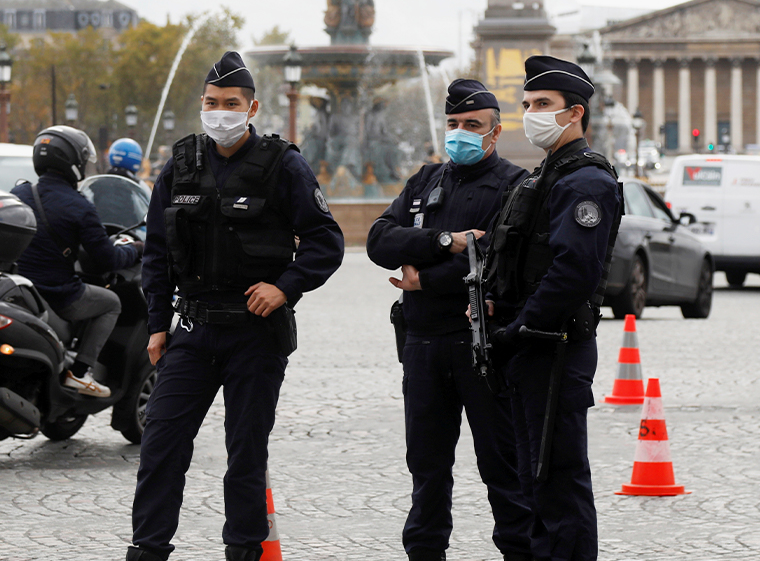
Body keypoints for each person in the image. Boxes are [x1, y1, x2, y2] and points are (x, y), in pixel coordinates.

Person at [126, 51, 345, 561]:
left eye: (230, 103)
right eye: (210, 102)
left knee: (245, 453)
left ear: (252, 107)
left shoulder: (282, 164)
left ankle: (244, 550)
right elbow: (155, 253)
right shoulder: (179, 164)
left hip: (255, 332)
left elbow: (325, 242)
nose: (219, 112)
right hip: (192, 331)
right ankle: (148, 549)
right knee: (160, 446)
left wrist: (285, 287)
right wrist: (158, 326)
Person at [366, 79, 533, 561]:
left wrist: (426, 280)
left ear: (495, 132)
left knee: (501, 466)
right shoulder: (426, 179)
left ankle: (519, 552)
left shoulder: (514, 186)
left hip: (479, 346)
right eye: (454, 124)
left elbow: (502, 262)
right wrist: (445, 242)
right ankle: (424, 553)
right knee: (426, 466)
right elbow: (379, 240)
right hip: (421, 344)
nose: (461, 133)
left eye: (472, 126)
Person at [482, 56, 623, 561]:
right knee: (534, 480)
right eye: (526, 105)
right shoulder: (547, 176)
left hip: (554, 348)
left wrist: (520, 328)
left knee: (558, 482)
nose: (531, 114)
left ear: (575, 113)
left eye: (543, 105)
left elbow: (573, 272)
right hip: (531, 350)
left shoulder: (586, 182)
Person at [12, 126, 143, 398]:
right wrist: (138, 248)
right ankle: (80, 373)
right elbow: (108, 259)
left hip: (23, 289)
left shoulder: (21, 193)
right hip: (59, 294)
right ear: (73, 161)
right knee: (111, 303)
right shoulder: (79, 206)